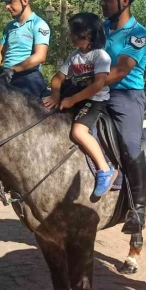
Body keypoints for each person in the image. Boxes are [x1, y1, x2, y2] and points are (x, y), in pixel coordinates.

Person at [95, 0, 146, 235]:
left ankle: (138, 210)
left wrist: (88, 84)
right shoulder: (102, 29)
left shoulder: (138, 35)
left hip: (125, 94)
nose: (102, 4)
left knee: (130, 144)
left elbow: (118, 72)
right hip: (96, 90)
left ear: (124, 1)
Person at [44, 13, 117, 197]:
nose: (70, 35)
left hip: (95, 100)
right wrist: (55, 95)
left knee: (78, 131)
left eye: (73, 31)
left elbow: (98, 84)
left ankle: (105, 169)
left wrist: (72, 100)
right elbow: (58, 78)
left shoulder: (100, 56)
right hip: (76, 96)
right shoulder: (74, 55)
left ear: (88, 34)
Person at [0, 0, 51, 98]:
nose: (7, 6)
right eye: (6, 2)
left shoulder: (38, 24)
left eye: (10, 2)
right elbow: (0, 51)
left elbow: (40, 56)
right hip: (6, 74)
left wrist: (13, 70)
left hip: (28, 77)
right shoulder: (10, 26)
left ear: (25, 0)